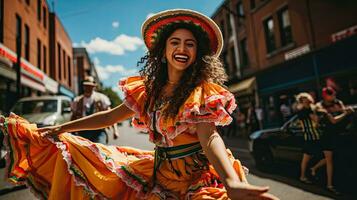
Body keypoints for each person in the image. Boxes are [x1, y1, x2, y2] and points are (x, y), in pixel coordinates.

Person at [0, 9, 278, 200]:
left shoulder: (201, 92)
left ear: (199, 53)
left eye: (190, 44)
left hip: (197, 180)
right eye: (175, 42)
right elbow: (109, 116)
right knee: (87, 162)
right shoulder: (148, 90)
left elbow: (210, 137)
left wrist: (230, 181)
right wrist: (62, 128)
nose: (182, 49)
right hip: (159, 176)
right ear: (164, 49)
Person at [296, 92, 351, 195]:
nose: (307, 100)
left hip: (316, 136)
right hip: (311, 137)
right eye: (304, 100)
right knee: (309, 158)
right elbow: (316, 120)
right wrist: (322, 115)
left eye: (306, 99)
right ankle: (305, 175)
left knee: (312, 158)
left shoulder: (311, 109)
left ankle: (309, 172)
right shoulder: (306, 111)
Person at [310, 87, 353, 194]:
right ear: (325, 96)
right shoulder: (320, 107)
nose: (334, 96)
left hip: (341, 134)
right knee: (330, 160)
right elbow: (333, 121)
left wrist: (345, 111)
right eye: (331, 95)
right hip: (327, 136)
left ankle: (314, 168)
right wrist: (345, 113)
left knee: (334, 158)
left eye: (334, 94)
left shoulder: (338, 102)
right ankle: (329, 185)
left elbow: (343, 111)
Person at [71, 76, 119, 143]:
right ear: (83, 86)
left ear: (93, 87)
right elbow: (73, 117)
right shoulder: (77, 101)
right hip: (83, 131)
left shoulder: (102, 98)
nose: (88, 88)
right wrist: (69, 131)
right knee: (84, 151)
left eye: (90, 86)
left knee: (100, 150)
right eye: (86, 86)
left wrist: (115, 130)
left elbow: (110, 115)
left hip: (99, 130)